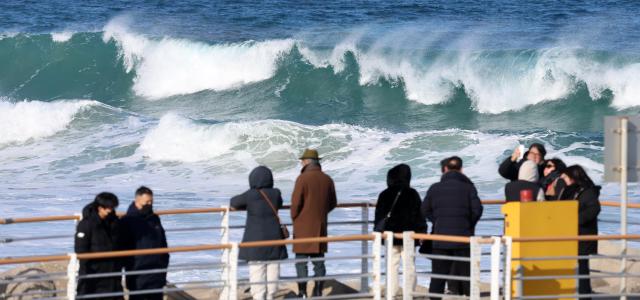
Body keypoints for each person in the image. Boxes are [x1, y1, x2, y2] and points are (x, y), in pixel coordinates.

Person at [421, 156, 483, 299]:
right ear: (461, 170)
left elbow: (424, 210)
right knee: (467, 276)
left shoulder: (435, 188)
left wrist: (437, 221)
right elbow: (477, 210)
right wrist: (468, 225)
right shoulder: (468, 187)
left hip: (440, 238)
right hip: (463, 239)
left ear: (445, 169)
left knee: (438, 277)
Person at [230, 166, 288, 300]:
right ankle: (271, 295)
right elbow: (279, 204)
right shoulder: (276, 193)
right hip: (274, 241)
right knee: (273, 273)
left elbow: (234, 202)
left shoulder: (251, 195)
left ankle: (259, 297)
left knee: (257, 275)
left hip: (255, 242)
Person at [374, 164, 427, 297]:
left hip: (389, 235)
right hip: (409, 236)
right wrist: (422, 232)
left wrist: (379, 234)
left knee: (392, 265)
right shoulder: (412, 193)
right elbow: (419, 216)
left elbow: (379, 216)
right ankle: (409, 294)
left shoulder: (384, 194)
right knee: (409, 265)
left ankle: (391, 294)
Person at [291, 149, 337, 298]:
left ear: (307, 162)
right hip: (320, 227)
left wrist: (296, 218)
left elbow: (295, 205)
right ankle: (317, 291)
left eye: (302, 160)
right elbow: (333, 203)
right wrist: (320, 215)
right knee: (319, 262)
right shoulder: (327, 179)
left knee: (301, 262)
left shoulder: (302, 179)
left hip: (303, 228)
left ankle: (302, 293)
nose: (301, 163)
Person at [119, 187, 169, 300]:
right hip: (138, 274)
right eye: (146, 202)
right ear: (137, 201)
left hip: (157, 273)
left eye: (151, 202)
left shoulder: (155, 219)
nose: (149, 204)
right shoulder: (127, 221)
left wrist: (164, 265)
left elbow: (163, 243)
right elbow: (122, 248)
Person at [558, 165, 601, 298]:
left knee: (582, 268)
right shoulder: (572, 190)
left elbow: (594, 209)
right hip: (572, 234)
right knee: (572, 267)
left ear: (573, 177)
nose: (563, 179)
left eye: (565, 177)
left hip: (583, 235)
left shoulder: (588, 192)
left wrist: (575, 220)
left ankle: (585, 296)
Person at [75, 192, 123, 299]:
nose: (110, 210)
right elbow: (80, 249)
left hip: (113, 273)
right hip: (93, 274)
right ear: (99, 208)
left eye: (112, 207)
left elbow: (120, 244)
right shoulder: (86, 224)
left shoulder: (115, 222)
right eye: (108, 208)